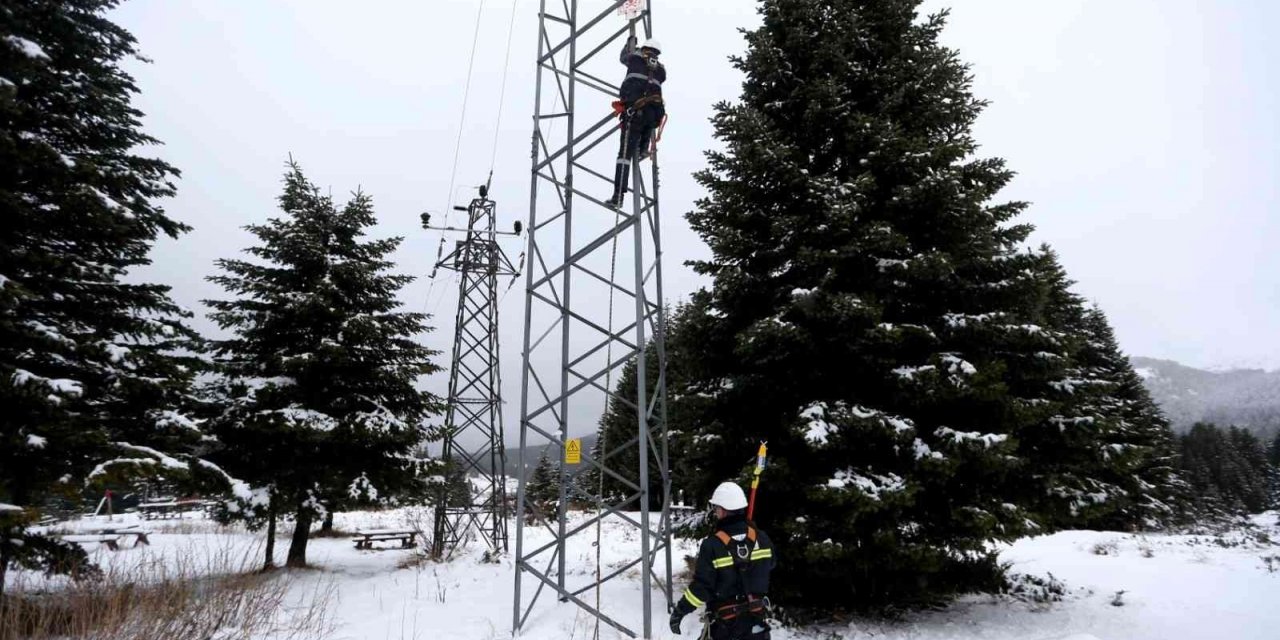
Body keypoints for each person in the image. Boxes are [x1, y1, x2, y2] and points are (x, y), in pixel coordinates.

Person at [669, 482, 775, 639]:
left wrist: (680, 611)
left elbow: (702, 588)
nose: (716, 512)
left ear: (723, 511)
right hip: (757, 624)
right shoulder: (762, 538)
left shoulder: (712, 545)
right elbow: (770, 565)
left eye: (717, 508)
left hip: (727, 628)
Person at [607, 34, 666, 209]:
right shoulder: (661, 70)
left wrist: (629, 45)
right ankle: (643, 150)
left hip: (634, 114)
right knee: (647, 125)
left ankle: (618, 196)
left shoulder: (635, 58)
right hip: (652, 116)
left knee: (623, 157)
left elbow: (623, 57)